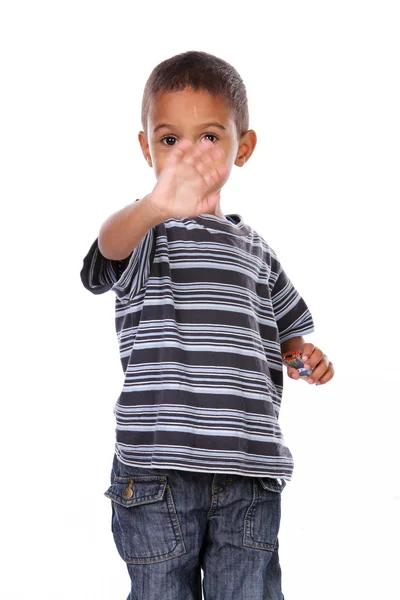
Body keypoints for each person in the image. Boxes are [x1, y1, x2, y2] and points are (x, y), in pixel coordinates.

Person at [80, 50, 334, 600]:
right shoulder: (145, 234)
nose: (188, 155)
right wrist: (155, 205)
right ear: (147, 148)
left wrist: (302, 353)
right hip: (157, 469)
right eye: (170, 140)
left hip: (248, 470)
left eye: (209, 137)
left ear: (242, 147)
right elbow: (108, 246)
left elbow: (286, 329)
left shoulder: (256, 252)